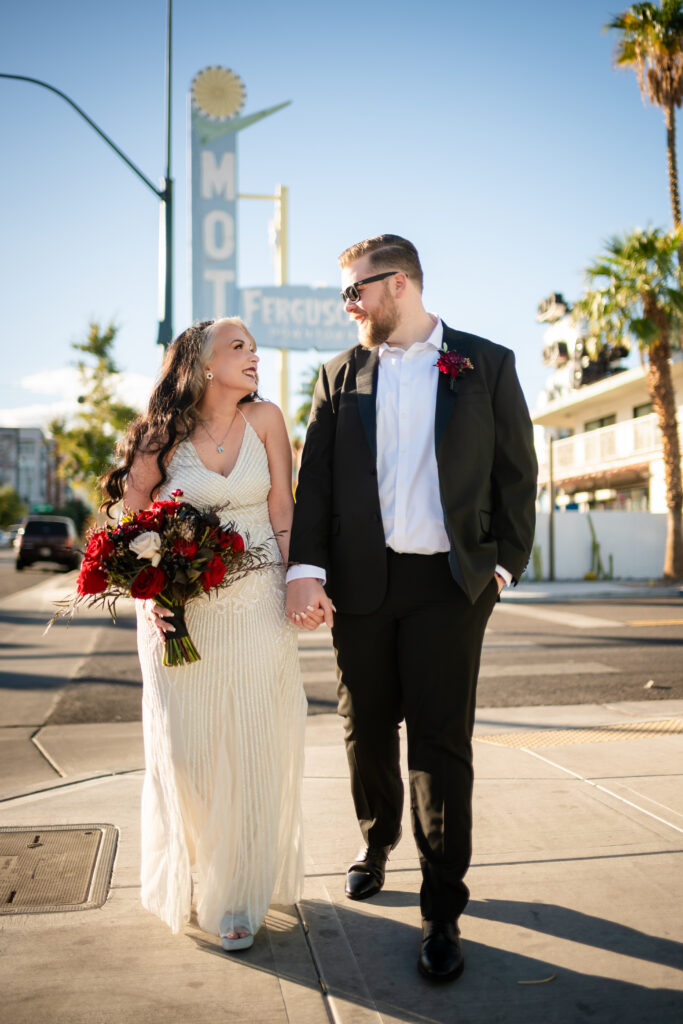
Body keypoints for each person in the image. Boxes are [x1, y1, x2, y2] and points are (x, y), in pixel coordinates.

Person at [286, 235, 537, 982]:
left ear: (397, 284)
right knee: (364, 728)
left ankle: (442, 910)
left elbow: (516, 474)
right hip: (361, 585)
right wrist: (306, 569)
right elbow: (317, 482)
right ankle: (376, 838)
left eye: (354, 291)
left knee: (440, 746)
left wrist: (501, 568)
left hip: (449, 588)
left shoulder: (485, 363)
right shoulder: (338, 376)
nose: (349, 305)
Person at [101, 317, 306, 951]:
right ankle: (194, 870)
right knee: (188, 752)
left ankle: (236, 897)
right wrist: (150, 600)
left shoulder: (267, 420)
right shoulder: (158, 437)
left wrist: (300, 579)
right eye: (238, 346)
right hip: (179, 609)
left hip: (258, 602)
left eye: (253, 346)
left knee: (250, 743)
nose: (253, 355)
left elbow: (281, 510)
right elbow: (127, 530)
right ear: (202, 364)